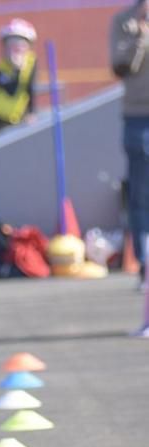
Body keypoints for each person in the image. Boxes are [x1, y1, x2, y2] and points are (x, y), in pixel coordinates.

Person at [111, 0, 149, 287]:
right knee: (140, 196)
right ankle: (145, 265)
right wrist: (140, 38)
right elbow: (122, 67)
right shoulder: (123, 21)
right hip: (138, 118)